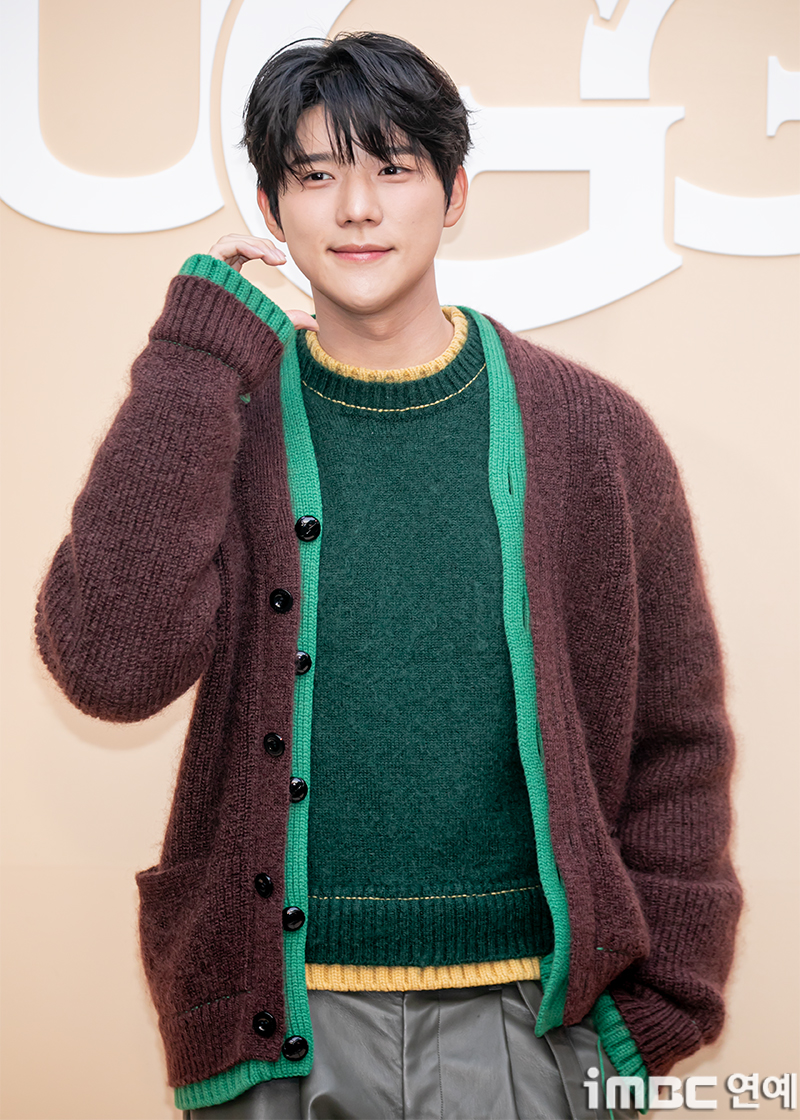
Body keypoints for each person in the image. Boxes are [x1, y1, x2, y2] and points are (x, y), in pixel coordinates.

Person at [34, 30, 742, 1120]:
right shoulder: (224, 421)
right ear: (272, 209)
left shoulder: (592, 433)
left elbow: (678, 735)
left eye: (393, 168)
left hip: (533, 1021)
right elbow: (107, 668)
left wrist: (657, 1008)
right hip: (278, 1026)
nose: (357, 209)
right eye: (316, 176)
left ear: (453, 193)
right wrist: (195, 350)